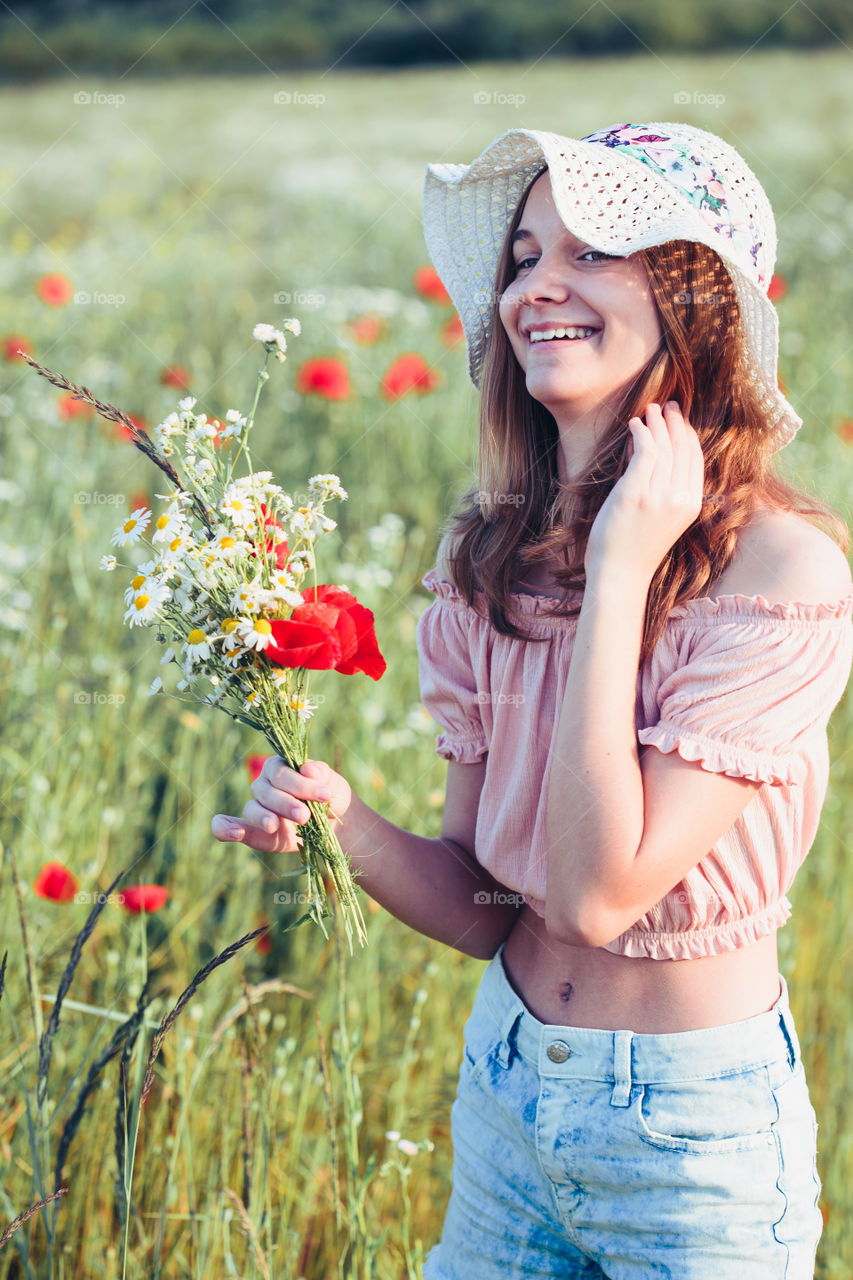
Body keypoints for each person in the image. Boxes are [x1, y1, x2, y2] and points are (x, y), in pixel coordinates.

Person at [211, 122, 853, 1276]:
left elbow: (599, 893)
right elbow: (487, 902)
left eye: (593, 251)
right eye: (520, 257)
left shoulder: (781, 570)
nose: (534, 288)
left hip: (690, 1137)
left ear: (693, 294)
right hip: (507, 1088)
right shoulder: (486, 558)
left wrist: (619, 571)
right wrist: (344, 823)